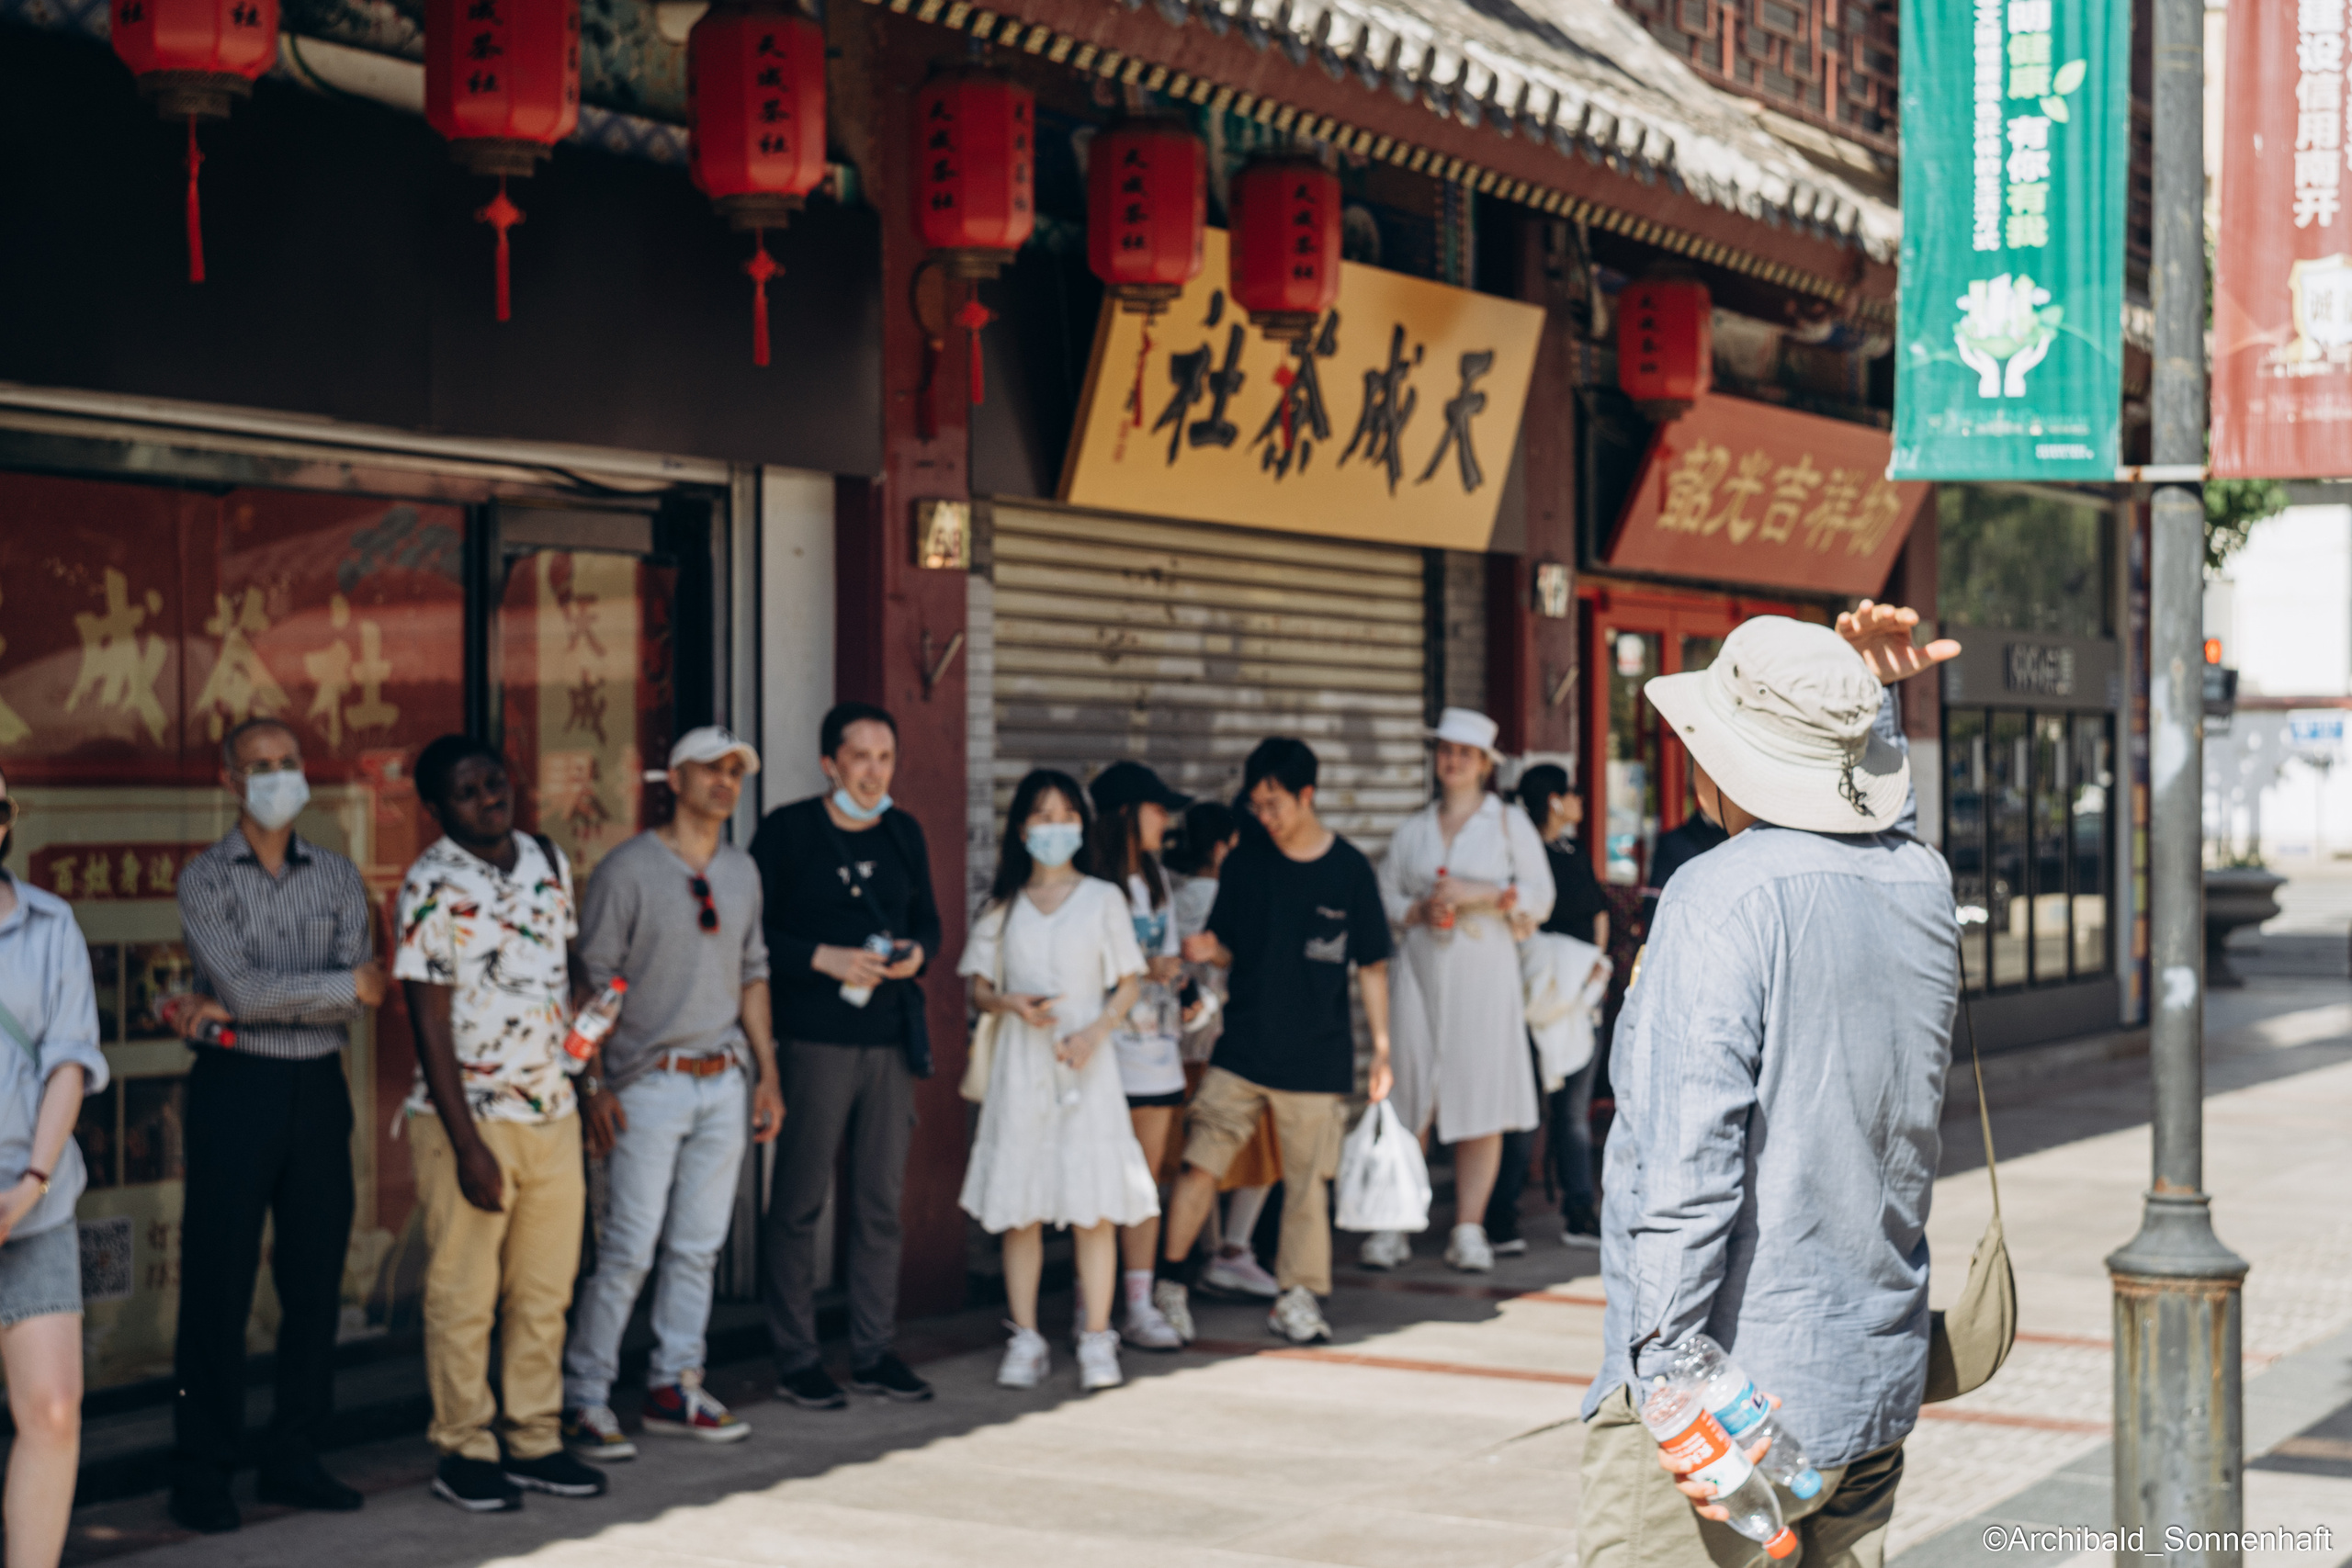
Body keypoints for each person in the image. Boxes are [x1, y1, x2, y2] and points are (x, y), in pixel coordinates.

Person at [1577, 605, 1960, 1568]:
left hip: (1732, 1402)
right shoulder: (1922, 883)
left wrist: (1663, 1383)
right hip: (1871, 1376)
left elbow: (1686, 1173)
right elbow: (1878, 826)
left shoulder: (1720, 895)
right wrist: (1860, 703)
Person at [167, 717, 382, 1531]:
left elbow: (365, 992)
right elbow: (253, 989)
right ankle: (202, 1470)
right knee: (216, 1285)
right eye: (258, 765)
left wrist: (260, 998)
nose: (277, 775)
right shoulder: (204, 878)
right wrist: (332, 987)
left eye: (287, 761)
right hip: (236, 1089)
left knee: (314, 1282)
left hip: (319, 1091)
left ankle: (294, 1454)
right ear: (230, 780)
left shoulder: (337, 875)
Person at [394, 736, 606, 1514]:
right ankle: (464, 1446)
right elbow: (427, 1021)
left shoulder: (546, 858)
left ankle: (535, 1437)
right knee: (465, 1294)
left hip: (551, 1110)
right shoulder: (429, 885)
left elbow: (567, 965)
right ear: (435, 808)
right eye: (467, 790)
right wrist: (468, 1146)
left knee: (545, 1291)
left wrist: (590, 1078)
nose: (490, 796)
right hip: (470, 1121)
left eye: (495, 779)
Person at [560, 728, 786, 1461]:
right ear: (675, 778)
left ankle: (675, 1383)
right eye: (710, 769)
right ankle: (585, 1396)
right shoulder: (627, 869)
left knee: (698, 1246)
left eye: (735, 772)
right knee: (627, 1247)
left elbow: (753, 974)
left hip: (724, 1078)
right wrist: (593, 1082)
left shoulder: (743, 871)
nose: (725, 782)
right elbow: (592, 983)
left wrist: (767, 1073)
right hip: (646, 1082)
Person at [1157, 738, 1395, 1347]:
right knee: (1200, 1164)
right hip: (1243, 1046)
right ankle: (1169, 1286)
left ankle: (1297, 1298)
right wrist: (1210, 949)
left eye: (1274, 804)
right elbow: (1230, 945)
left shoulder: (1348, 869)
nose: (1264, 816)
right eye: (1257, 805)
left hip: (1318, 1054)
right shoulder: (1246, 862)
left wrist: (1382, 1048)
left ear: (1306, 795)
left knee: (1307, 1185)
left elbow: (1372, 965)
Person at [750, 702, 942, 1409]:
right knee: (800, 1200)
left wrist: (916, 954)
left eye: (885, 757)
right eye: (860, 757)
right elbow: (752, 935)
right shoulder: (788, 831)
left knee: (880, 1202)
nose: (873, 771)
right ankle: (797, 1356)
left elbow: (929, 924)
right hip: (814, 1040)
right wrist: (822, 957)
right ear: (829, 762)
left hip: (888, 1039)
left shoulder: (903, 831)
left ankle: (872, 1350)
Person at [960, 770, 1159, 1392]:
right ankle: (1025, 1336)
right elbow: (978, 989)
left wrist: (1095, 1033)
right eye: (1043, 816)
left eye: (1067, 815)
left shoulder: (1102, 898)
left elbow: (1129, 980)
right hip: (1022, 1067)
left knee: (1093, 1207)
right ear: (1022, 828)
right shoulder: (1003, 905)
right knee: (1020, 1208)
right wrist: (1010, 1004)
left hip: (1087, 1068)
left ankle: (1097, 1335)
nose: (1056, 827)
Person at [1371, 709, 1554, 1274]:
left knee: (1482, 1099)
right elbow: (1384, 893)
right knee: (1409, 1095)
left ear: (1484, 765)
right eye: (1445, 750)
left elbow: (1540, 896)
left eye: (1464, 753)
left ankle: (1468, 1227)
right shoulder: (1414, 829)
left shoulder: (1508, 824)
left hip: (1485, 974)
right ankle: (1395, 1221)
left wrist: (1487, 893)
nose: (1452, 761)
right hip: (1419, 971)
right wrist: (1416, 910)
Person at [0, 762, 104, 1568]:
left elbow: (70, 1059)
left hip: (33, 1202)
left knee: (53, 1408)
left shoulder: (50, 922)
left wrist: (29, 1185)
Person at [1084, 761, 1198, 1353]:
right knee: (1098, 1182)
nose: (1166, 822)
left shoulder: (1156, 880)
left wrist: (1178, 978)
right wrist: (1136, 969)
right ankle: (1091, 1307)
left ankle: (1138, 1302)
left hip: (1158, 1053)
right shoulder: (1090, 885)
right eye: (1157, 810)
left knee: (1145, 1185)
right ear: (1126, 814)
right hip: (1105, 1057)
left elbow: (1169, 954)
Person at [1486, 762, 1609, 1253]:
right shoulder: (1521, 858)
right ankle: (1500, 1214)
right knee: (1525, 1111)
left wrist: (1593, 969)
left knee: (1573, 1112)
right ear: (1555, 799)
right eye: (1572, 791)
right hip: (1534, 997)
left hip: (1581, 995)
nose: (1580, 799)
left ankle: (1579, 1211)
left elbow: (1598, 912)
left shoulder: (1574, 851)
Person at [1164, 802, 1278, 1302]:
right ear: (1221, 848)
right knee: (1258, 1148)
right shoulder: (1227, 896)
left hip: (1181, 1051)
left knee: (1198, 1159)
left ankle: (1209, 1248)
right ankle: (1234, 1249)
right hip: (1231, 1046)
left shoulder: (1172, 898)